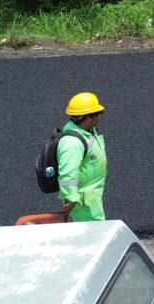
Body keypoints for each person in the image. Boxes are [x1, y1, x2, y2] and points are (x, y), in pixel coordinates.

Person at [58, 91, 108, 222]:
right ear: (88, 118)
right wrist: (71, 198)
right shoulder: (72, 142)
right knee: (95, 237)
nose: (99, 117)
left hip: (91, 198)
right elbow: (68, 173)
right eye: (96, 114)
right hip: (83, 202)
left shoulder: (88, 131)